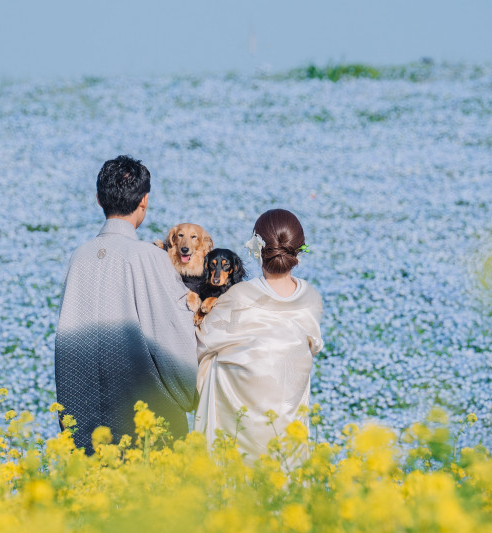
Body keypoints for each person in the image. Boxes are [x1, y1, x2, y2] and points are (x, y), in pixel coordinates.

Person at [54, 155, 197, 453]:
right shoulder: (150, 256)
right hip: (146, 428)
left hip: (85, 428)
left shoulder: (79, 257)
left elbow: (66, 346)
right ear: (144, 200)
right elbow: (174, 340)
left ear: (98, 199)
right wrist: (192, 393)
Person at [195, 208, 323, 465]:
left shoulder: (239, 297)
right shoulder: (311, 298)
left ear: (257, 249)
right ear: (297, 252)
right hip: (287, 439)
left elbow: (201, 343)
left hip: (237, 442)